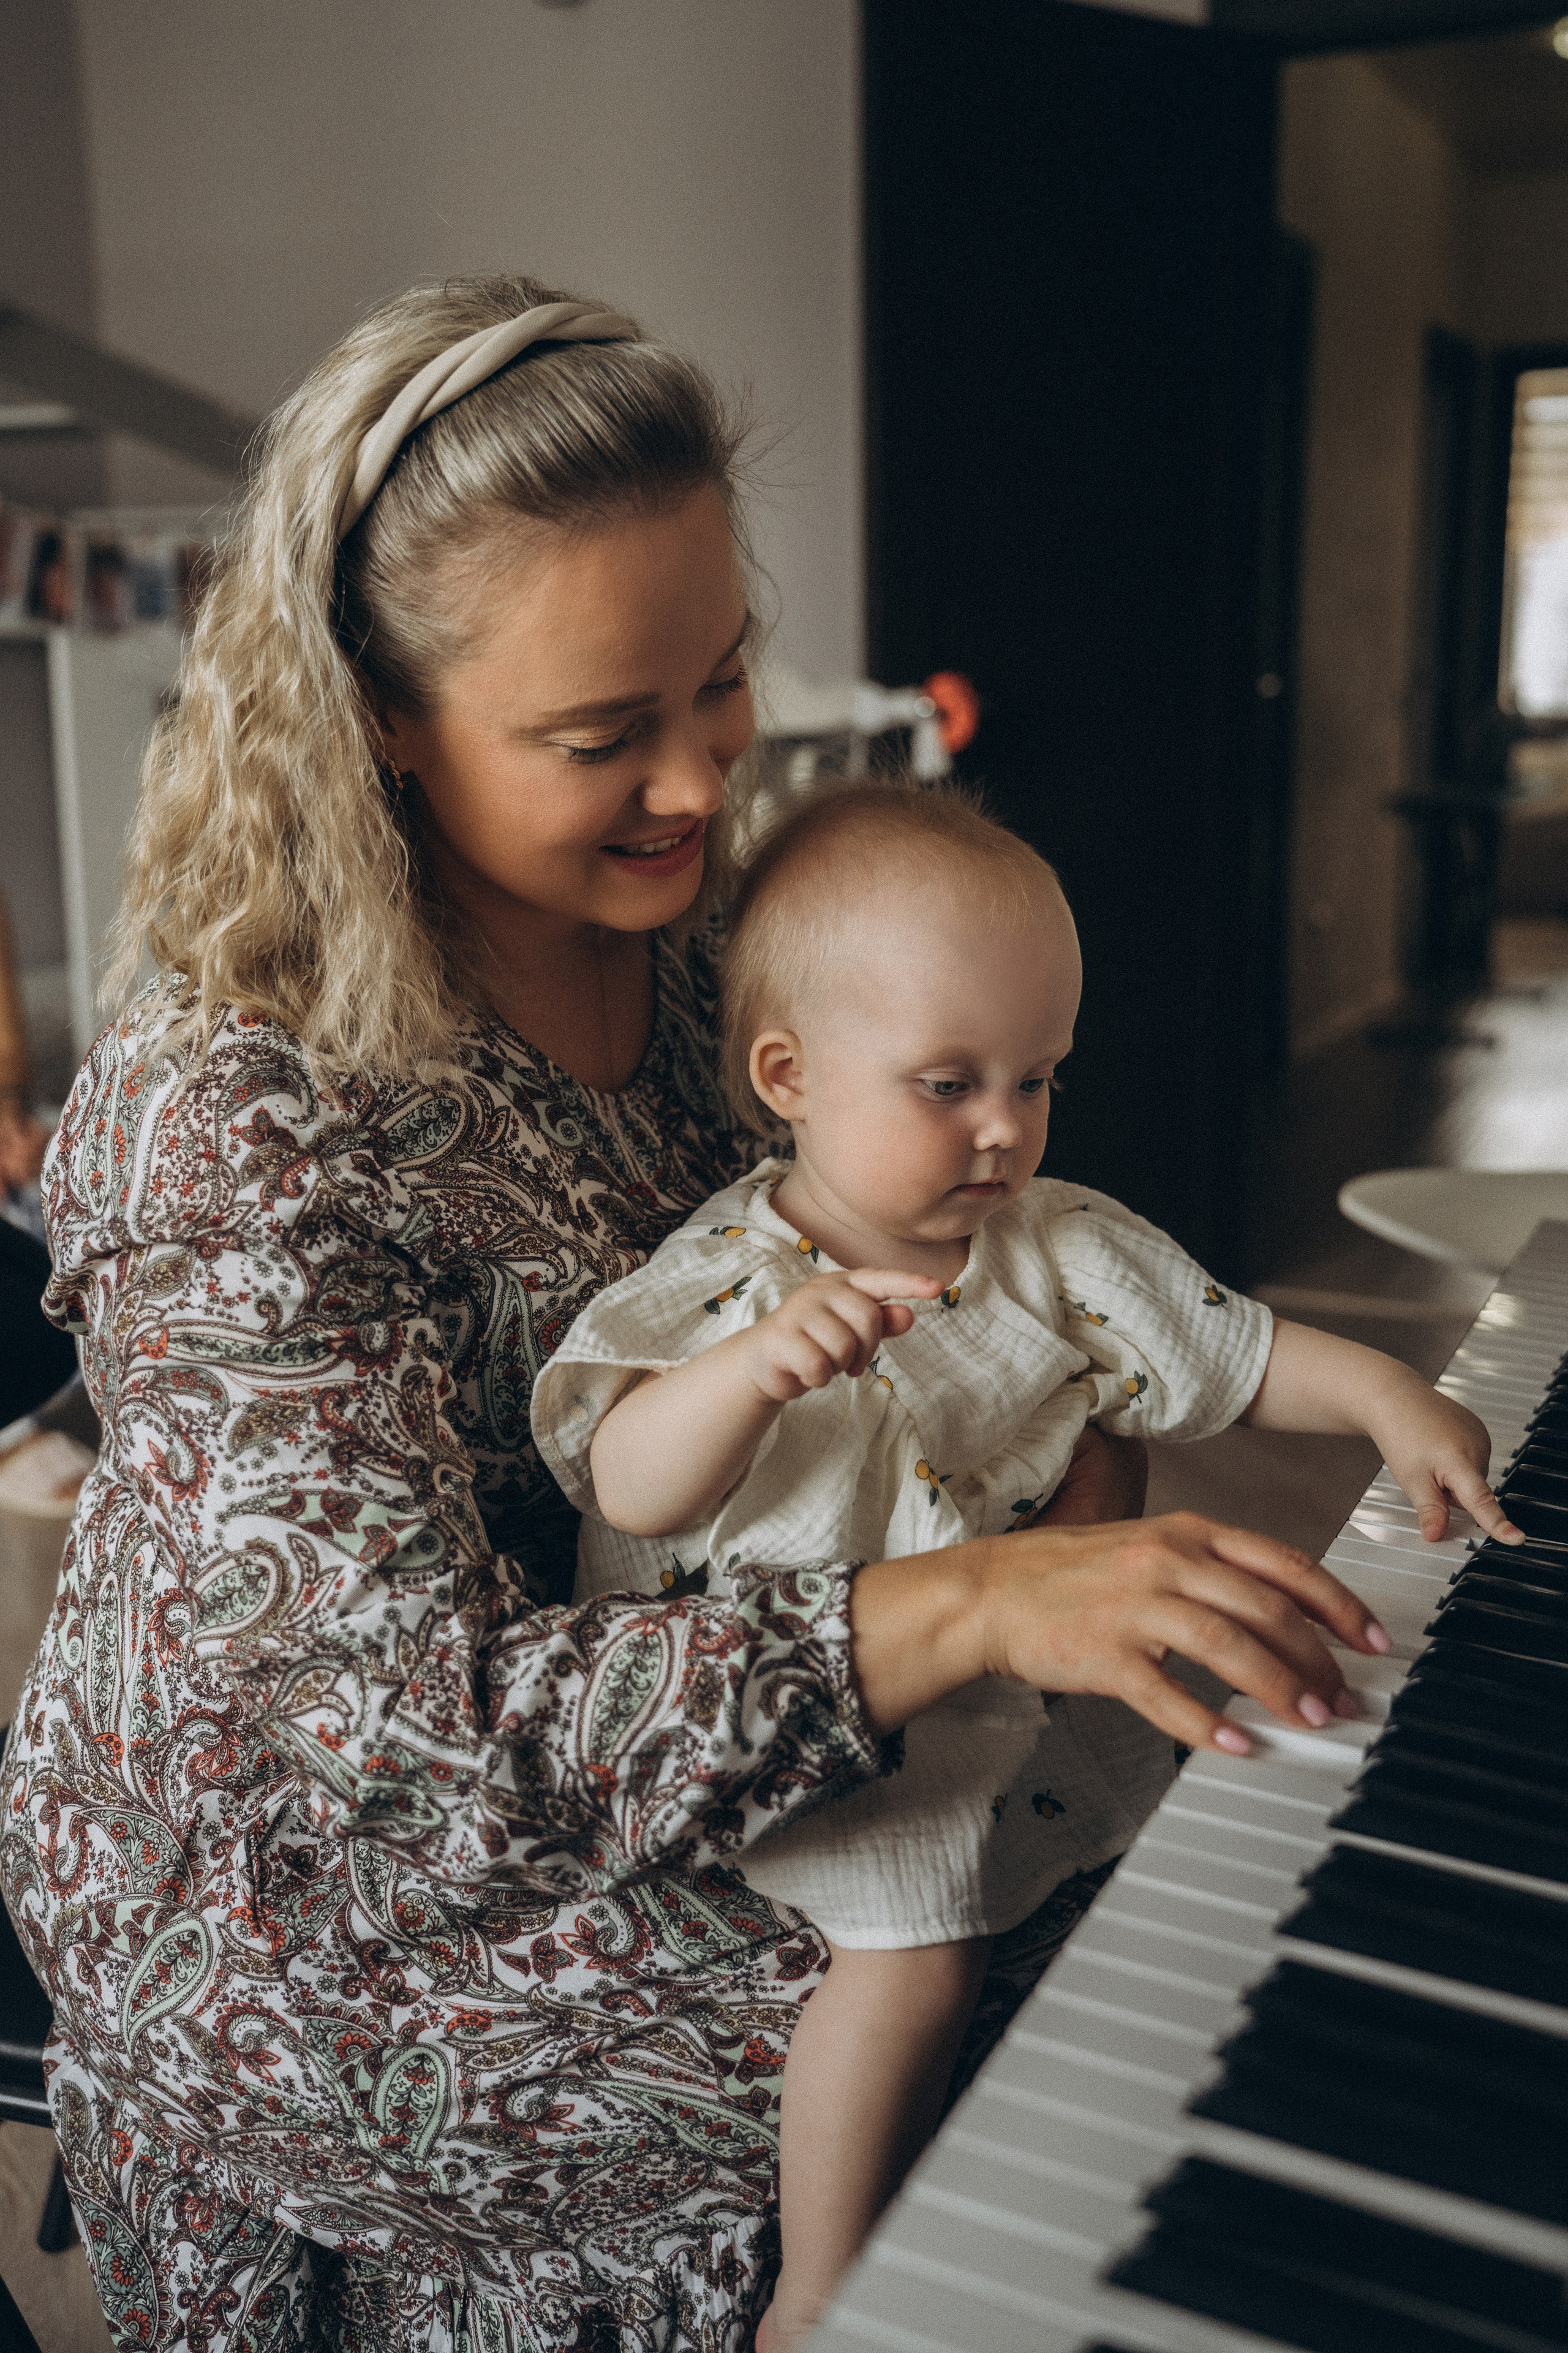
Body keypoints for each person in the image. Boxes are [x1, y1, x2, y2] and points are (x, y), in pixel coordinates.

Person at [0, 276, 1387, 2353]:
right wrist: (980, 1606)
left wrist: (1060, 1468)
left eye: (718, 678)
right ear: (377, 713)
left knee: (1163, 1865)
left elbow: (954, 1280)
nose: (693, 778)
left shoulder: (711, 958)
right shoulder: (229, 1115)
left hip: (720, 1700)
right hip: (318, 1899)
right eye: (599, 735)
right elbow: (409, 1746)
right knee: (1012, 2005)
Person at [533, 777, 1516, 2346]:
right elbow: (629, 1482)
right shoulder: (725, 1277)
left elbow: (1237, 1351)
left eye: (1037, 1077)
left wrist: (1391, 1395)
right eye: (948, 1083)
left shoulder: (1055, 1246)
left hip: (1000, 1671)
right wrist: (752, 1372)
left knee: (1200, 1808)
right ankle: (820, 2284)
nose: (1002, 1125)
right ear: (789, 1076)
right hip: (790, 1725)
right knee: (919, 1952)